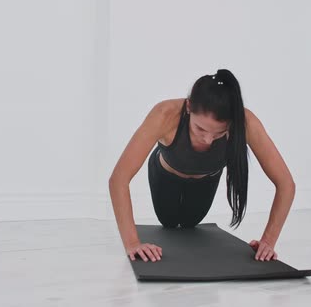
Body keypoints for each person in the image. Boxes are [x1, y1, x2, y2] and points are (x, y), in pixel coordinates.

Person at [108, 69, 295, 264]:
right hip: (166, 173)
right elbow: (118, 179)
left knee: (190, 224)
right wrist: (132, 243)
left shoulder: (246, 123)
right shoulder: (165, 114)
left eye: (219, 133)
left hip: (206, 179)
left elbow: (286, 184)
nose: (208, 139)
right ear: (188, 107)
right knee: (169, 222)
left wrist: (268, 242)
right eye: (200, 129)